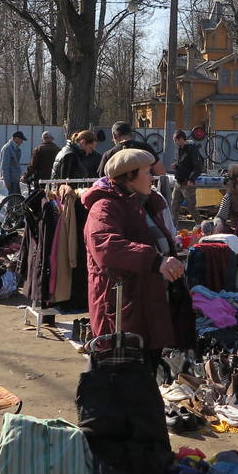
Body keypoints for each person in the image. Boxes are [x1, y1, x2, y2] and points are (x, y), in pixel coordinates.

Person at [82, 148, 185, 360]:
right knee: (123, 378)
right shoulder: (104, 207)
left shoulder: (146, 204)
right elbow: (106, 247)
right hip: (121, 306)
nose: (152, 177)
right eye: (147, 172)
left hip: (147, 303)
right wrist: (155, 260)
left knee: (147, 371)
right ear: (129, 176)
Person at [96, 122, 164, 177]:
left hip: (118, 192)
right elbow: (160, 172)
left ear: (114, 135)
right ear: (131, 134)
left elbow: (102, 178)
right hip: (143, 191)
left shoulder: (109, 154)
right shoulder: (146, 148)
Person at [170, 129, 203, 223]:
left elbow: (198, 166)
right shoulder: (181, 149)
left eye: (175, 140)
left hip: (187, 183)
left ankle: (200, 224)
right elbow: (185, 163)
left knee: (191, 207)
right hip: (179, 182)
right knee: (174, 206)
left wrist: (191, 179)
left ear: (181, 139)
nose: (175, 143)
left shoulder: (191, 149)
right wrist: (177, 165)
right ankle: (173, 227)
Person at [0, 131, 26, 196]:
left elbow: (14, 164)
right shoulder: (8, 148)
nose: (22, 142)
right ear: (16, 138)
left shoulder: (14, 148)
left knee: (17, 200)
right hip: (11, 180)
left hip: (15, 179)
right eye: (21, 139)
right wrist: (7, 182)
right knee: (13, 201)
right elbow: (5, 166)